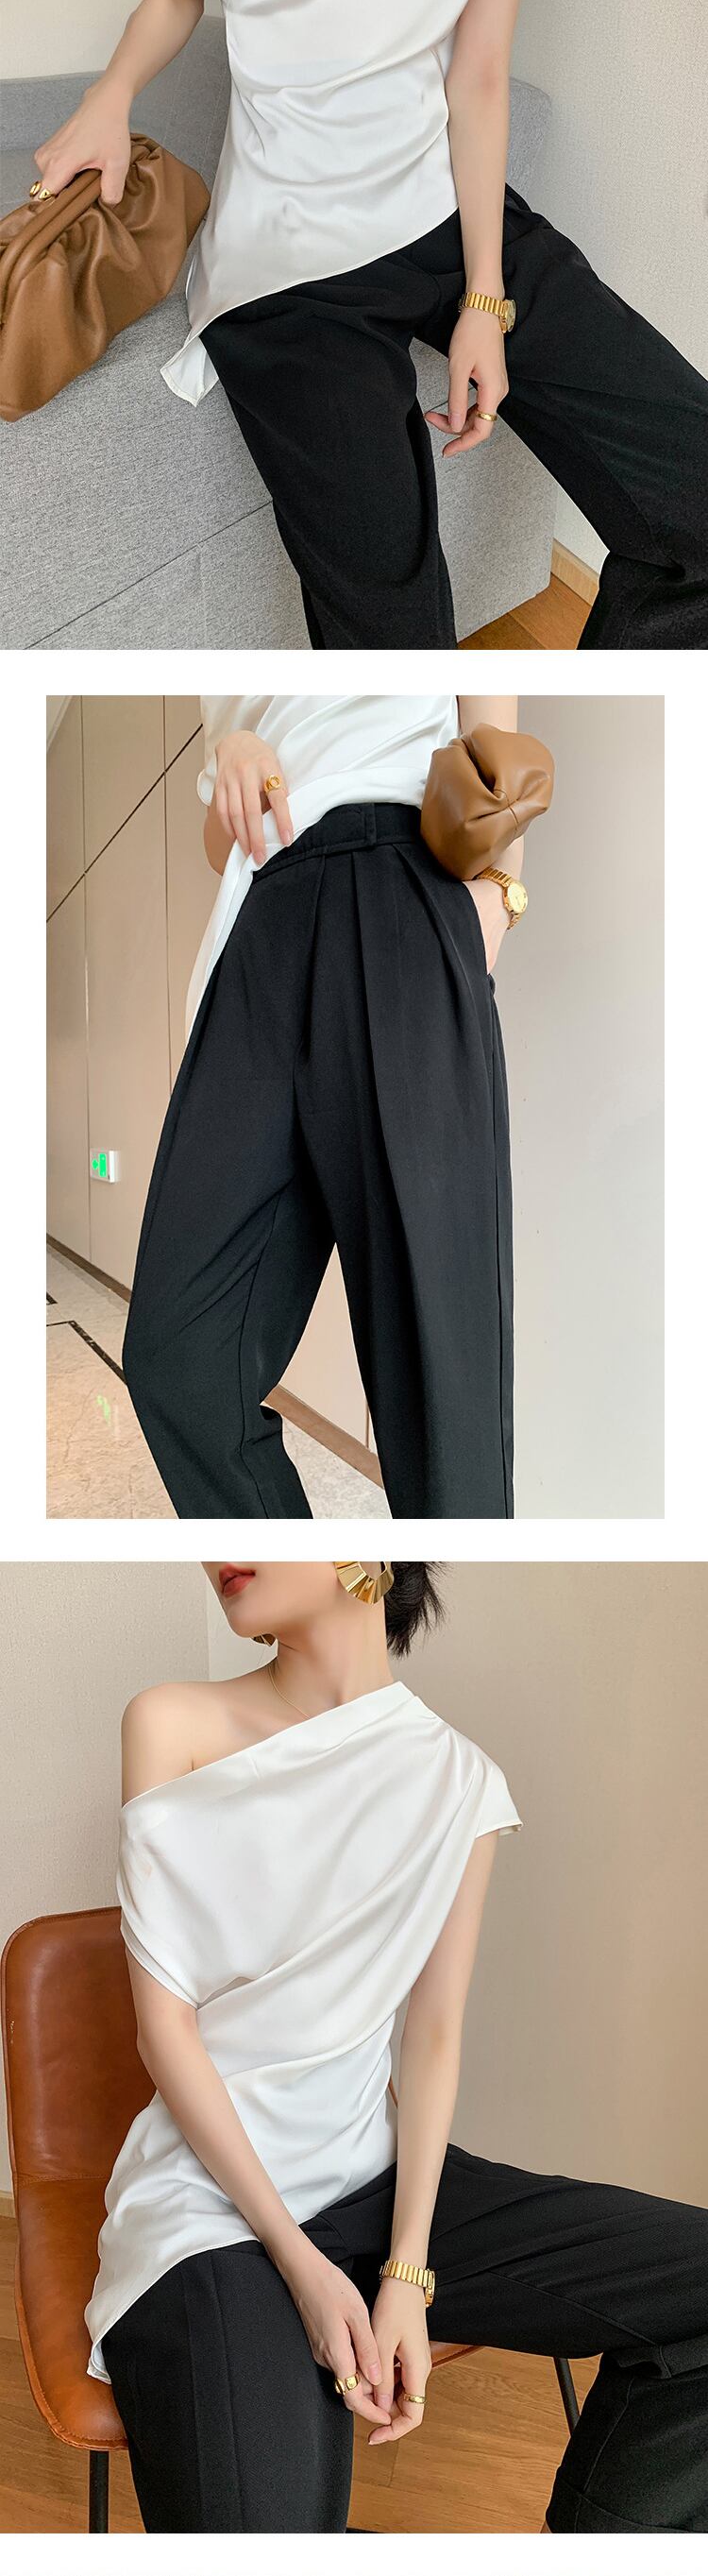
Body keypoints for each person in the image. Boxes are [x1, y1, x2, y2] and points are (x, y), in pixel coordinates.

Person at [33, 0, 708, 651]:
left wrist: (486, 300)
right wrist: (109, 97)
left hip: (444, 214)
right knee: (393, 635)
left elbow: (477, 79)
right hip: (286, 264)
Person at [85, 1559, 708, 2535]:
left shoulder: (460, 1781)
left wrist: (406, 2274)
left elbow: (433, 2033)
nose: (218, 1548)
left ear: (369, 1554)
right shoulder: (170, 1723)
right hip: (210, 2204)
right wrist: (300, 2263)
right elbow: (165, 2029)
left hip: (377, 2187)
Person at [121, 691, 519, 1520]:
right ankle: (316, 1586)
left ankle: (435, 1604)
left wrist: (501, 898)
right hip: (260, 921)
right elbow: (224, 842)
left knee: (446, 1407)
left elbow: (494, 740)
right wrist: (231, 753)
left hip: (403, 877)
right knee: (178, 1363)